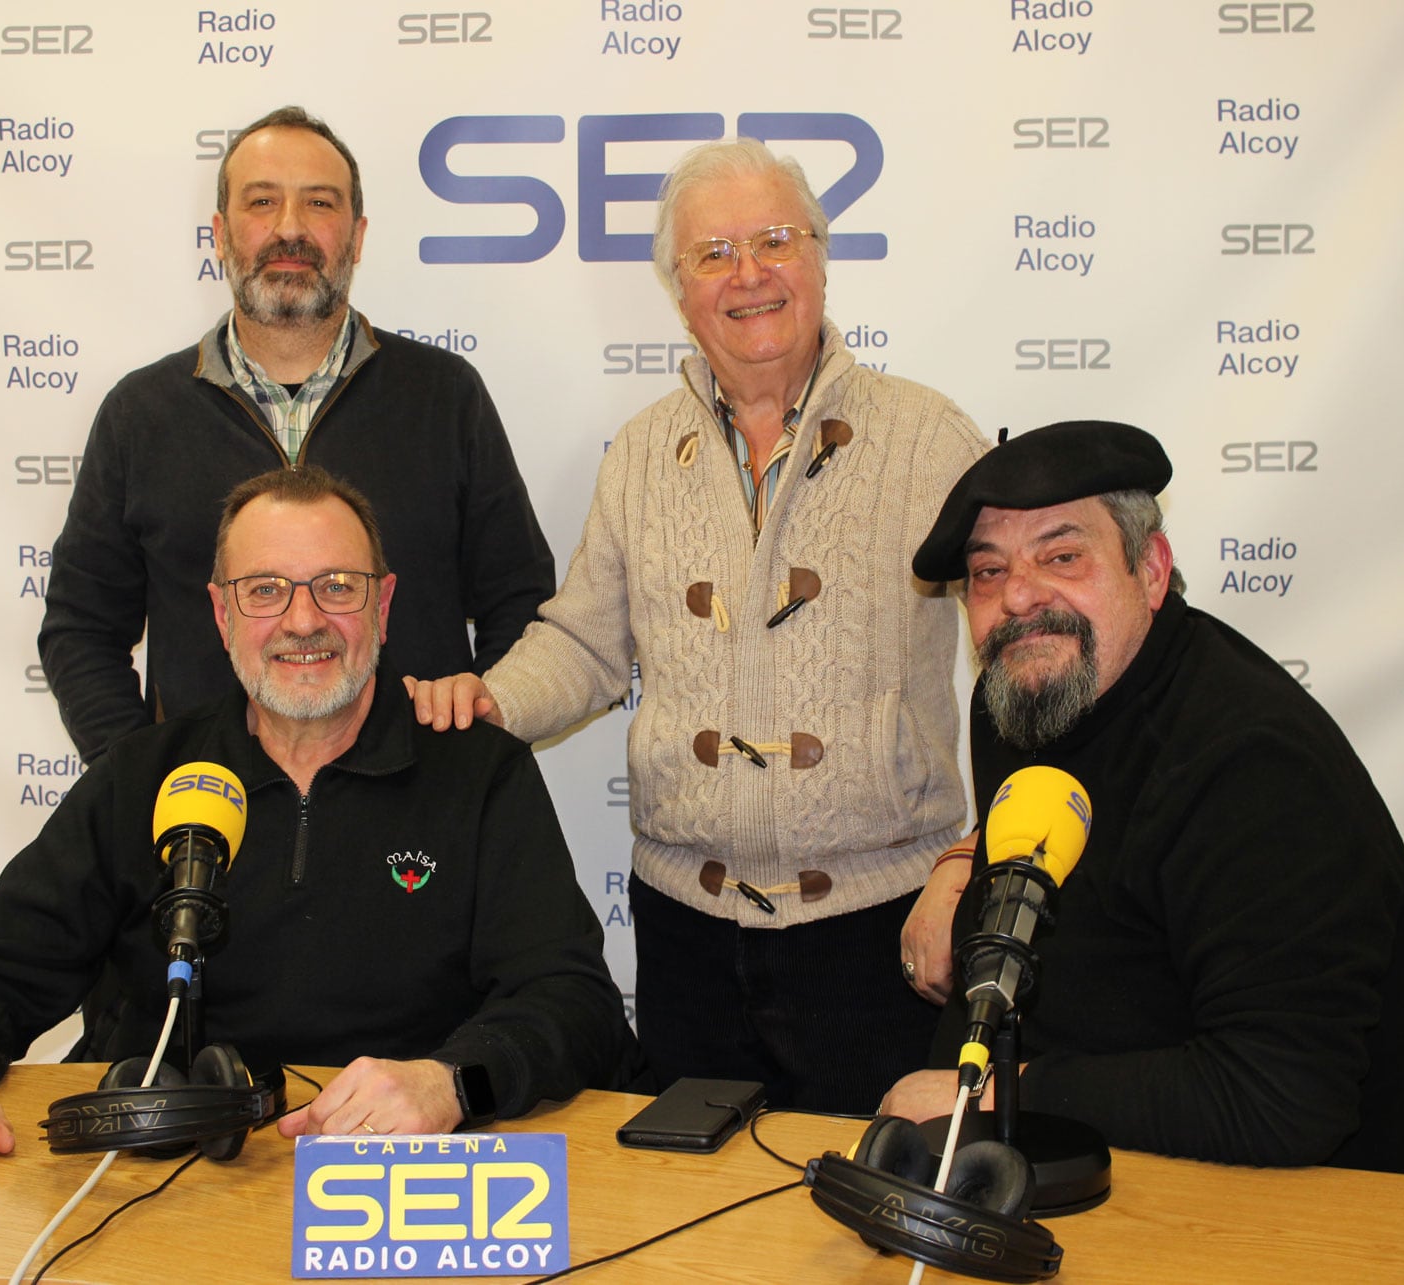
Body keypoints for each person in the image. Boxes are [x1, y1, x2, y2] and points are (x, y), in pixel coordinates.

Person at [410, 139, 989, 1112]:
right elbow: (587, 645)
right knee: (693, 1230)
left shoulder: (930, 441)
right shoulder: (642, 455)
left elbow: (1020, 664)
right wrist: (492, 696)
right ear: (680, 293)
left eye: (774, 240)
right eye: (714, 253)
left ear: (819, 257)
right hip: (687, 939)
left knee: (867, 1228)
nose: (750, 273)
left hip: (881, 934)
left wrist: (971, 859)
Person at [0, 466, 632, 1160]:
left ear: (385, 603)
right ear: (221, 613)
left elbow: (573, 1002)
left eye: (337, 585)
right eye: (265, 590)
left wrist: (449, 1081)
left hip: (394, 1191)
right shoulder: (145, 776)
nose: (303, 620)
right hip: (167, 1184)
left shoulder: (479, 771)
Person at [884, 420, 1404, 1171]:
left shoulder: (1256, 766)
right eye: (987, 571)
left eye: (1063, 556)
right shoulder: (1020, 696)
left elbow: (1282, 1099)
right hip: (1044, 1169)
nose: (1019, 596)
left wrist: (993, 1093)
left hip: (1257, 1208)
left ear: (1151, 569)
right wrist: (960, 861)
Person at [40, 104, 553, 763]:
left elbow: (524, 605)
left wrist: (465, 757)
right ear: (221, 235)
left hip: (410, 822)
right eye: (262, 203)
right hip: (209, 822)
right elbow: (80, 630)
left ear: (357, 236)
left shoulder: (444, 396)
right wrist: (140, 774)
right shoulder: (140, 415)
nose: (289, 229)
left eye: (318, 203)